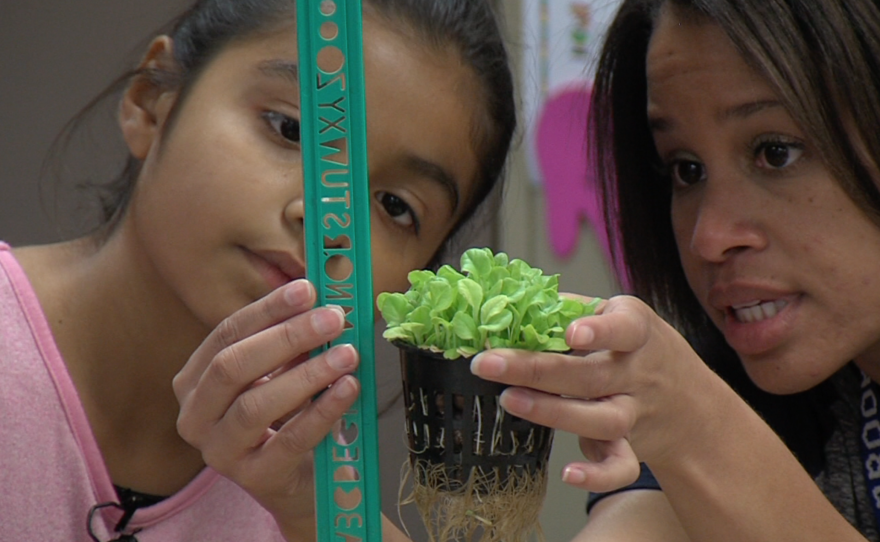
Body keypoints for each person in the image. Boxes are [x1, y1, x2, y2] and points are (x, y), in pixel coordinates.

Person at [0, 0, 516, 540]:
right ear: (153, 100)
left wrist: (319, 516)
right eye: (290, 129)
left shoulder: (314, 490)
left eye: (394, 206)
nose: (326, 218)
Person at [469, 0, 880, 540]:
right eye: (686, 169)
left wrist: (698, 430)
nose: (708, 237)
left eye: (775, 153)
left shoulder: (699, 408)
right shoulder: (738, 383)